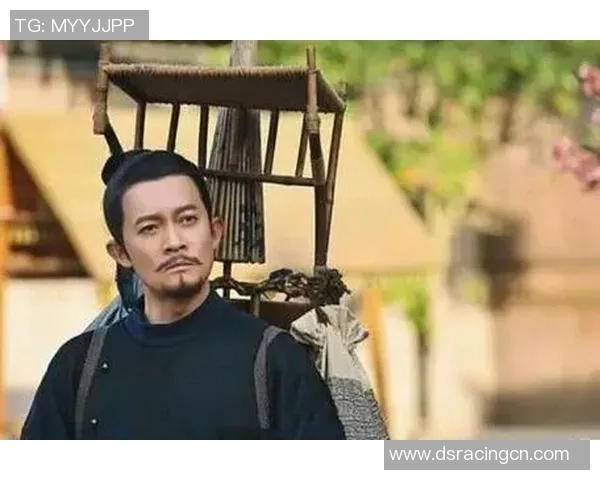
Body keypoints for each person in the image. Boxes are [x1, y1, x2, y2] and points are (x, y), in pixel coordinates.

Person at [20, 149, 346, 440]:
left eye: (188, 220)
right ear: (121, 253)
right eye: (150, 228)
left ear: (215, 232)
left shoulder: (274, 360)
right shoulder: (78, 367)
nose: (174, 242)